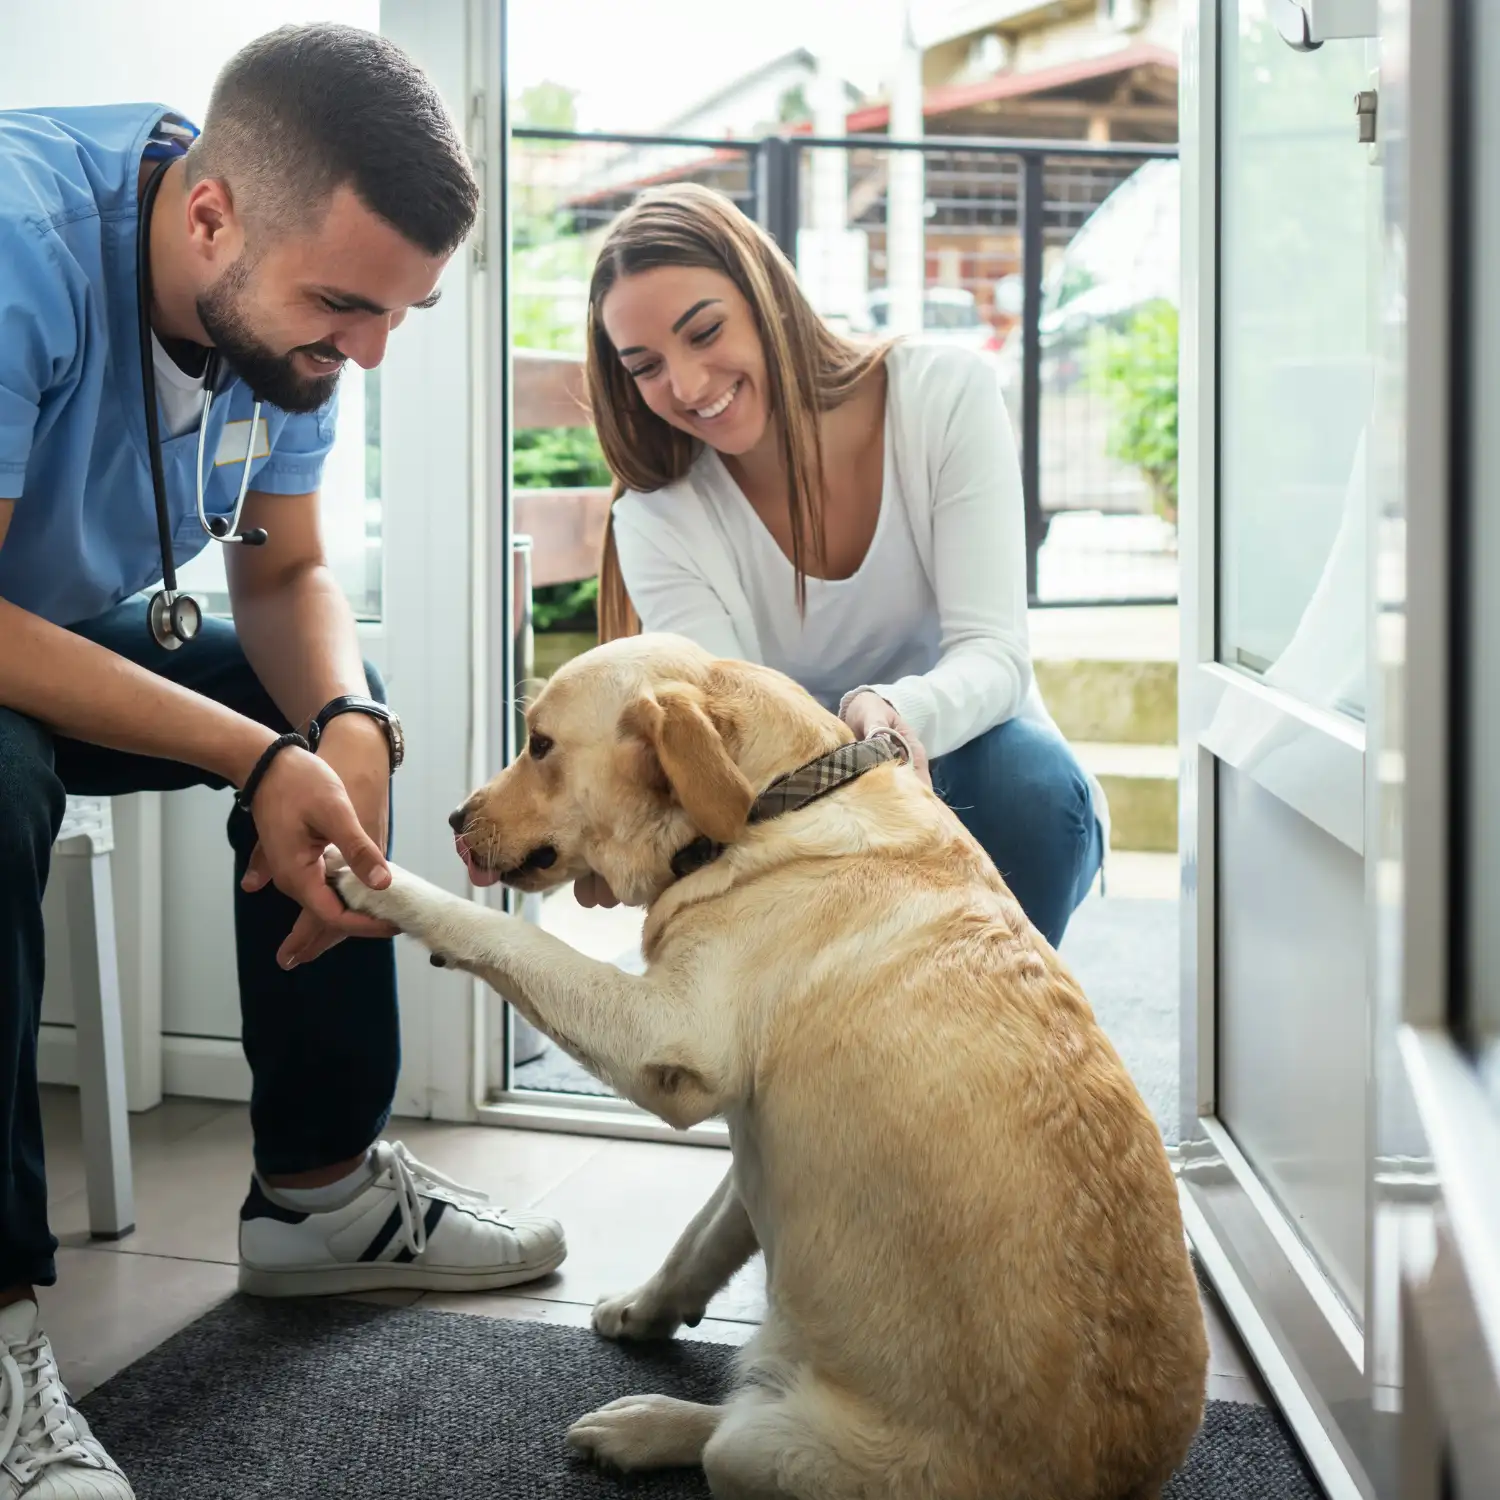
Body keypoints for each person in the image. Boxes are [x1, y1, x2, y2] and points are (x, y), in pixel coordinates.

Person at [0, 25, 564, 1498]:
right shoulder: (18, 240)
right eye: (343, 308)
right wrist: (266, 763)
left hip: (38, 628)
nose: (368, 352)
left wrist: (349, 732)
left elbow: (286, 571)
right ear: (209, 216)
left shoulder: (286, 305)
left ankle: (319, 1192)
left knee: (320, 711)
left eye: (400, 315)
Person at [576, 183, 1106, 947]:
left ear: (765, 298)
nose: (687, 386)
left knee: (1029, 785)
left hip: (966, 777)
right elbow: (733, 738)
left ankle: (1000, 1027)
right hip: (789, 820)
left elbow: (995, 658)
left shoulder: (940, 395)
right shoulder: (660, 517)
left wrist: (888, 716)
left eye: (705, 331)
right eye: (646, 366)